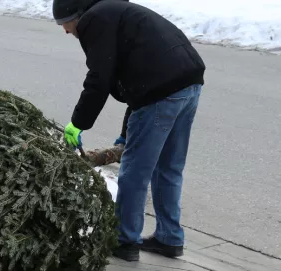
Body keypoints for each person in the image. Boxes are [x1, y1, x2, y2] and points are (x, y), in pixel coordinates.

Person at [54, 0, 206, 262]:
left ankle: (124, 241)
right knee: (168, 167)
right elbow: (135, 85)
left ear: (75, 16)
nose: (66, 32)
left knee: (134, 172)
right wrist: (126, 135)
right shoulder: (116, 12)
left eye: (63, 24)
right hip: (188, 83)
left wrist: (78, 122)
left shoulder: (94, 20)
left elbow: (99, 79)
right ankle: (169, 238)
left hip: (162, 91)